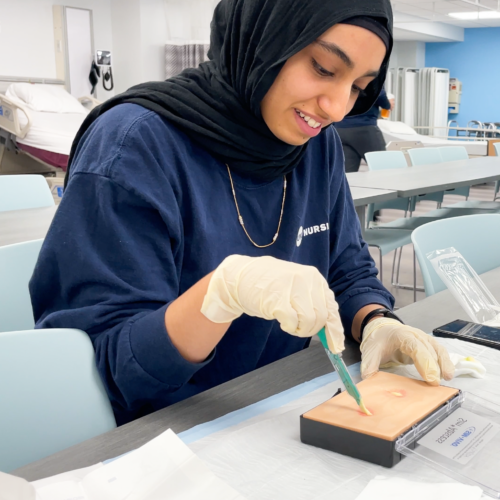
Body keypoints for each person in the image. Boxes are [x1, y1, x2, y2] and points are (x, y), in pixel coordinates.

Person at [30, 0, 454, 425]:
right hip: (157, 432)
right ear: (263, 40)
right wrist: (219, 295)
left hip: (268, 407)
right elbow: (102, 369)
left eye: (359, 86)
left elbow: (345, 267)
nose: (337, 108)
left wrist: (377, 321)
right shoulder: (134, 147)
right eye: (324, 68)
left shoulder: (315, 143)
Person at [335, 87, 394, 172]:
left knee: (348, 174)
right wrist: (388, 104)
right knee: (383, 169)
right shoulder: (372, 74)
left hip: (341, 129)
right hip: (364, 127)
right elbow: (379, 93)